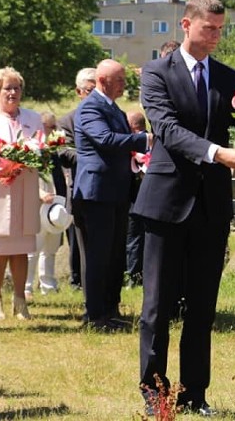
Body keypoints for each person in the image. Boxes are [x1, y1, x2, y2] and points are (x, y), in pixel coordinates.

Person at [134, 0, 235, 416]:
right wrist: (218, 153)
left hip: (211, 206)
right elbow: (166, 129)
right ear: (186, 25)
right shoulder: (156, 73)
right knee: (157, 306)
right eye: (209, 29)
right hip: (166, 204)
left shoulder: (228, 77)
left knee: (203, 307)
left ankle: (194, 394)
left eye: (221, 30)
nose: (216, 37)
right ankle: (155, 393)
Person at [74, 59, 149, 330]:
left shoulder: (112, 107)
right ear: (103, 81)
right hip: (96, 194)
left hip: (115, 192)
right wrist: (146, 140)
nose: (124, 85)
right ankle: (95, 315)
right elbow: (105, 139)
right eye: (119, 80)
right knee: (98, 255)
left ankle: (110, 309)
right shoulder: (89, 108)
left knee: (115, 254)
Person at [0, 67, 53, 321]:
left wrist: (35, 152)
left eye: (16, 88)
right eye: (7, 88)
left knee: (22, 245)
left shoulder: (32, 117)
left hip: (25, 185)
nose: (12, 93)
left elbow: (42, 147)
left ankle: (20, 299)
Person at [58, 67, 96, 290]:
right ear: (78, 92)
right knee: (83, 248)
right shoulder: (67, 121)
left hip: (112, 192)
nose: (94, 95)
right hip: (81, 189)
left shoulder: (113, 114)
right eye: (89, 90)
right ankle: (82, 289)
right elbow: (63, 153)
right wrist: (93, 157)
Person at [25, 112, 68, 298]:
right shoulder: (31, 149)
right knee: (33, 249)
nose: (53, 130)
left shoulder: (53, 150)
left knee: (50, 249)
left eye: (54, 127)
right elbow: (26, 177)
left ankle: (48, 285)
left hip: (55, 204)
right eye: (50, 127)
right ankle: (26, 287)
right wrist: (40, 193)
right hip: (39, 203)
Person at [125, 110, 149, 288]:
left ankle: (133, 276)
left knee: (133, 238)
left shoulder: (136, 145)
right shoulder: (153, 141)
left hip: (135, 198)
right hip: (151, 200)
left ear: (132, 126)